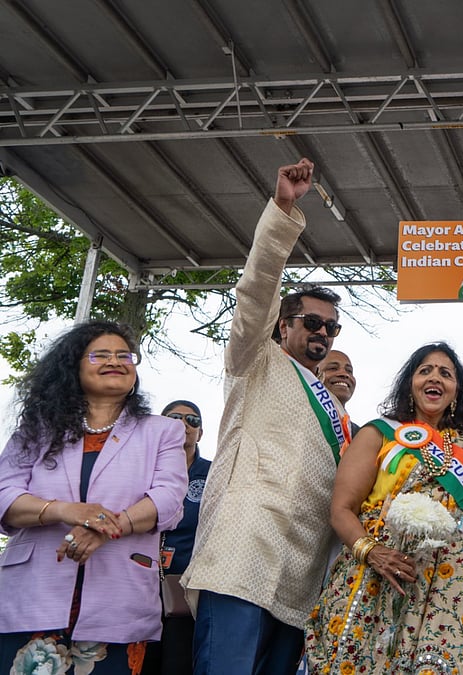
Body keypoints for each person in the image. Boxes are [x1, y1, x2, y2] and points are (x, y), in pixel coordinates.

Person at [183, 158, 352, 675]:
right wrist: (282, 211)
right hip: (243, 547)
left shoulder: (342, 415)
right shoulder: (255, 361)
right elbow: (256, 289)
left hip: (302, 571)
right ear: (283, 326)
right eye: (312, 322)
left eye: (332, 328)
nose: (322, 333)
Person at [305, 342, 463, 674]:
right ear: (410, 383)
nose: (435, 377)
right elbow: (342, 509)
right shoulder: (379, 434)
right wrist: (373, 552)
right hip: (381, 580)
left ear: (456, 391)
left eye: (446, 373)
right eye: (425, 370)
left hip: (452, 593)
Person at [0, 320, 188, 674]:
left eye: (124, 355)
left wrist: (104, 527)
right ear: (73, 366)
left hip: (119, 600)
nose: (115, 361)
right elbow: (5, 495)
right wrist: (67, 511)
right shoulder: (36, 430)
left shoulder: (163, 430)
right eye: (100, 354)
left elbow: (168, 498)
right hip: (32, 596)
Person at [144, 401, 211, 675]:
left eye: (193, 420)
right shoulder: (140, 469)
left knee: (178, 664)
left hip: (188, 588)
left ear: (200, 433)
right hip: (139, 583)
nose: (184, 424)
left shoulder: (213, 474)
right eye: (175, 418)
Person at [318, 350, 359, 434]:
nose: (345, 374)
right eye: (333, 368)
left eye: (349, 371)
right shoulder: (299, 419)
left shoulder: (360, 435)